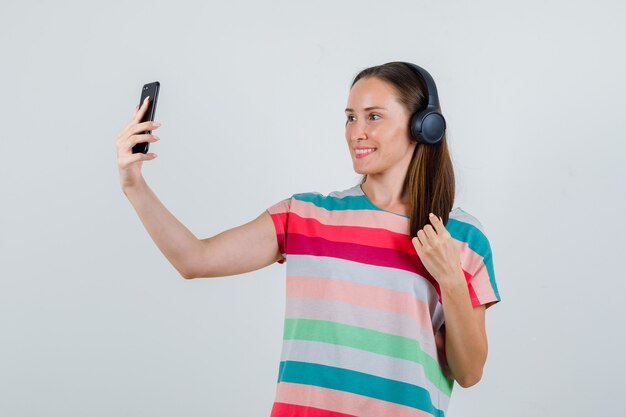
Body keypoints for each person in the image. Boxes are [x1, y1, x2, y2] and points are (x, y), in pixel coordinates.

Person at [116, 61, 501, 417]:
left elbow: (468, 373)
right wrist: (134, 186)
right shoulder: (305, 216)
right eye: (350, 117)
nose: (357, 132)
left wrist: (451, 279)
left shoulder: (462, 237)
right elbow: (195, 260)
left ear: (423, 126)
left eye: (374, 117)